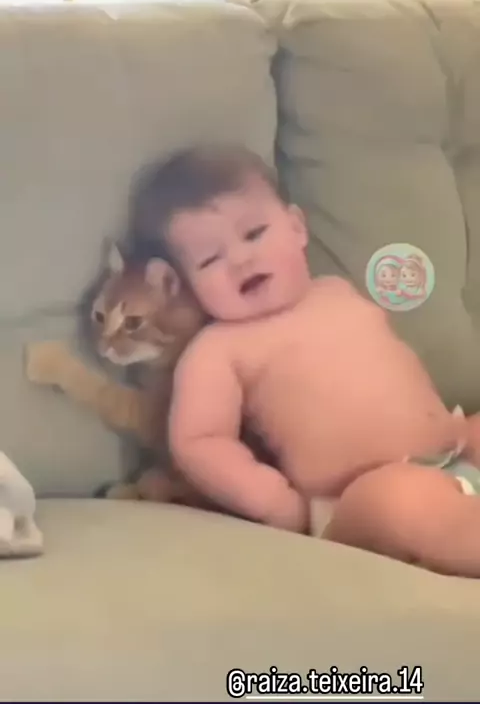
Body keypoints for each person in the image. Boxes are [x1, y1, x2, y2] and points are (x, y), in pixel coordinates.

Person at [129, 142, 480, 577]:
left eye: (254, 234)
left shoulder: (336, 292)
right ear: (187, 286)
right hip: (357, 496)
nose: (241, 259)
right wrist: (273, 500)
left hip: (453, 448)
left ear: (296, 228)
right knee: (405, 501)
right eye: (210, 259)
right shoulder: (219, 348)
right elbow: (199, 440)